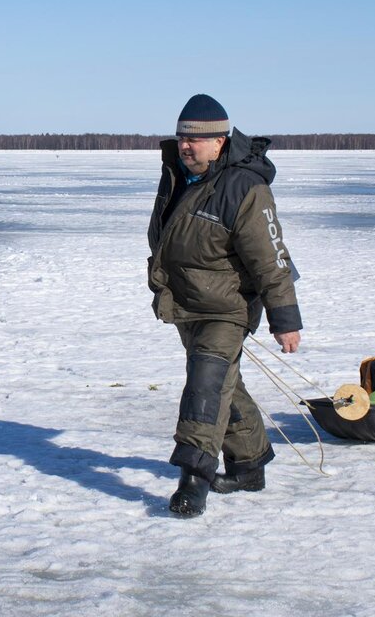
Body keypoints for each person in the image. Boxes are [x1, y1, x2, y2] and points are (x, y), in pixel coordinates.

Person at [147, 94, 303, 517]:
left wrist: (284, 319)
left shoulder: (244, 187)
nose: (185, 145)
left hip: (227, 307)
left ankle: (193, 478)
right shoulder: (177, 174)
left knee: (205, 384)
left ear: (221, 142)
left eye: (197, 139)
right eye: (182, 137)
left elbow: (271, 259)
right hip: (184, 301)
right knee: (223, 387)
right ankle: (250, 464)